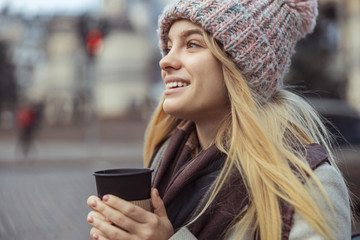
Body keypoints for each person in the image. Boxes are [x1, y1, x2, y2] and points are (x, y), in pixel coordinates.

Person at [86, 0, 353, 239]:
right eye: (168, 46)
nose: (165, 61)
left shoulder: (306, 185)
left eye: (192, 44)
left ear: (241, 66)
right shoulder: (166, 156)